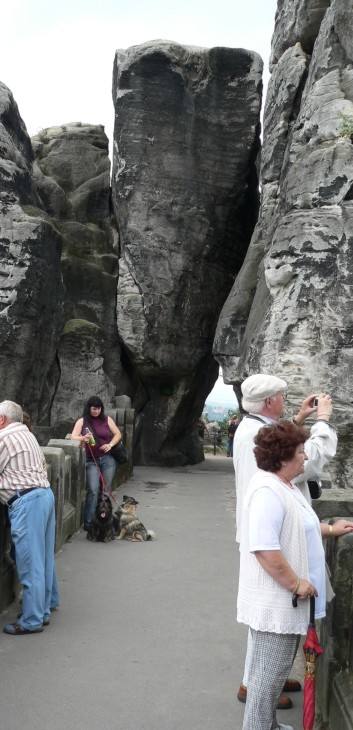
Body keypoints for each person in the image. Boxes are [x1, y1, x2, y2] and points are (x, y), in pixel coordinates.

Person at [237, 420, 353, 730]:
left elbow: (298, 527)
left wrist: (329, 528)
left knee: (272, 677)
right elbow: (264, 548)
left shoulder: (284, 486)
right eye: (302, 452)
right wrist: (296, 583)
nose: (305, 458)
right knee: (266, 681)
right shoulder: (267, 491)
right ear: (284, 456)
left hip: (284, 602)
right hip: (276, 601)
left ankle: (269, 726)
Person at [234, 373, 337, 709]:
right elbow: (311, 459)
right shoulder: (271, 478)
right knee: (269, 619)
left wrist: (297, 419)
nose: (283, 400)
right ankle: (259, 687)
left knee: (263, 623)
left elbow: (273, 441)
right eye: (281, 396)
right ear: (268, 402)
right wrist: (322, 420)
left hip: (263, 530)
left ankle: (258, 682)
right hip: (273, 536)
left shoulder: (248, 427)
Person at [0, 400, 58, 634]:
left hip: (26, 502)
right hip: (44, 495)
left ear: (1, 420)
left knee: (30, 563)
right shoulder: (26, 434)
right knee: (43, 559)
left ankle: (32, 620)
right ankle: (43, 610)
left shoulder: (4, 439)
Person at [71, 396, 123, 530]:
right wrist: (84, 438)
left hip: (107, 459)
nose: (96, 411)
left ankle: (104, 521)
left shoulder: (107, 419)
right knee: (93, 490)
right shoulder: (82, 421)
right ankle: (89, 522)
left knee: (105, 491)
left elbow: (118, 433)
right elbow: (73, 437)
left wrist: (110, 445)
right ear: (89, 408)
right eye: (94, 408)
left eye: (99, 408)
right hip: (90, 459)